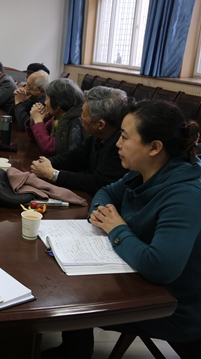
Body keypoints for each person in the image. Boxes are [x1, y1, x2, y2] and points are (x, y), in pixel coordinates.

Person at [43, 100, 201, 358]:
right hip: (137, 275)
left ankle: (74, 352)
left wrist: (116, 228)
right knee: (66, 275)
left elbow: (160, 266)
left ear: (154, 147)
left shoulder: (185, 195)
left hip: (173, 306)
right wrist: (102, 214)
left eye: (125, 137)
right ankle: (75, 349)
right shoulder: (144, 170)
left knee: (73, 295)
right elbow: (106, 192)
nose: (117, 143)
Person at [30, 86, 128, 196]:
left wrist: (53, 174)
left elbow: (97, 182)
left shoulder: (121, 146)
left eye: (84, 114)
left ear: (100, 124)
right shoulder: (100, 135)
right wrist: (48, 163)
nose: (80, 117)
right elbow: (76, 157)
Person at [26, 78, 86, 156]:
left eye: (47, 99)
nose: (45, 103)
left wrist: (38, 121)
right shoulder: (57, 117)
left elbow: (49, 148)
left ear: (58, 105)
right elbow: (37, 139)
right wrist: (33, 119)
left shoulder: (74, 121)